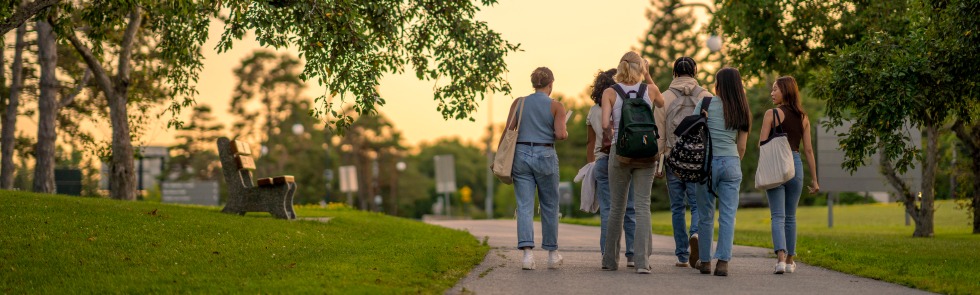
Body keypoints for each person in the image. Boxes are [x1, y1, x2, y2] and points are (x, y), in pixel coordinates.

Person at [600, 51, 665, 274]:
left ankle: (609, 261)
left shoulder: (610, 92)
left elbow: (604, 125)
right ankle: (642, 263)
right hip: (647, 150)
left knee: (616, 208)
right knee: (642, 206)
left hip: (621, 152)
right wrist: (647, 76)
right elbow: (662, 102)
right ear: (641, 67)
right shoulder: (650, 90)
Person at [503, 67, 568, 270]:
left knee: (524, 205)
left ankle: (527, 257)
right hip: (545, 155)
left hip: (521, 155)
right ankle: (552, 255)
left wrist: (500, 158)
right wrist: (563, 128)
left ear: (533, 84)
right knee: (549, 205)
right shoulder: (556, 106)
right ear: (550, 85)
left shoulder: (519, 103)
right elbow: (560, 134)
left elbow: (508, 130)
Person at [654, 57, 713, 268]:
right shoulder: (706, 97)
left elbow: (659, 134)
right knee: (697, 204)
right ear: (695, 72)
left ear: (674, 73)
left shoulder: (664, 97)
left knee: (677, 207)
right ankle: (696, 233)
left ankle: (681, 255)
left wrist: (659, 164)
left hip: (672, 159)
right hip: (698, 160)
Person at [694, 67, 751, 276]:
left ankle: (706, 261)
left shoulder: (705, 103)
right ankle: (723, 262)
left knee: (705, 214)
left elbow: (693, 131)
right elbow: (742, 147)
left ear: (718, 85)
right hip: (731, 162)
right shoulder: (742, 108)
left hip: (706, 164)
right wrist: (732, 162)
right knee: (728, 215)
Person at [761, 76, 820, 274]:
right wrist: (815, 179)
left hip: (776, 164)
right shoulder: (803, 117)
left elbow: (762, 145)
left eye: (775, 89)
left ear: (785, 91)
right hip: (795, 165)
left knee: (777, 215)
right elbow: (809, 150)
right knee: (790, 217)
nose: (772, 93)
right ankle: (790, 261)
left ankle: (779, 260)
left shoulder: (772, 114)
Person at [585, 69, 638, 267]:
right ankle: (631, 255)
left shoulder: (593, 111)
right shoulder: (622, 104)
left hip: (601, 161)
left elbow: (590, 143)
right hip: (624, 159)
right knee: (630, 208)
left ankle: (607, 254)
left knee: (607, 210)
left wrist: (591, 164)